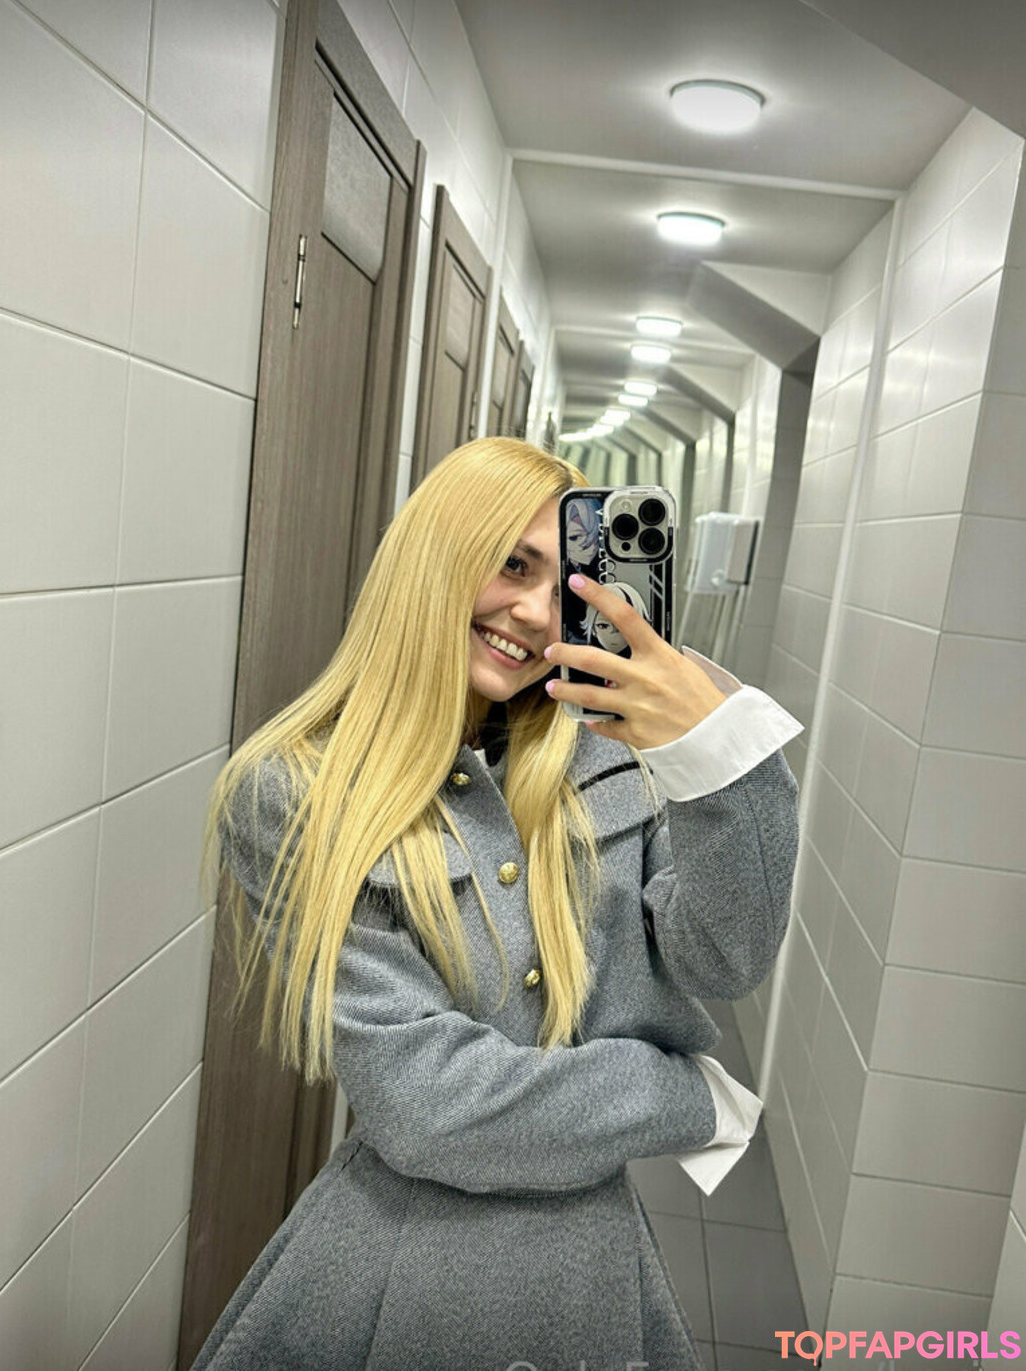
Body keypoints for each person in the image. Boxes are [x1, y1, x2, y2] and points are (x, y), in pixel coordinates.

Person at [191, 436, 803, 1371]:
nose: (536, 612)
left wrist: (716, 754)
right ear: (435, 557)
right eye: (512, 565)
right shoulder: (294, 794)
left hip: (593, 1269)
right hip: (398, 1272)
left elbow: (725, 957)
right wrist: (679, 1094)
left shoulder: (612, 752)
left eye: (566, 587)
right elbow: (427, 1105)